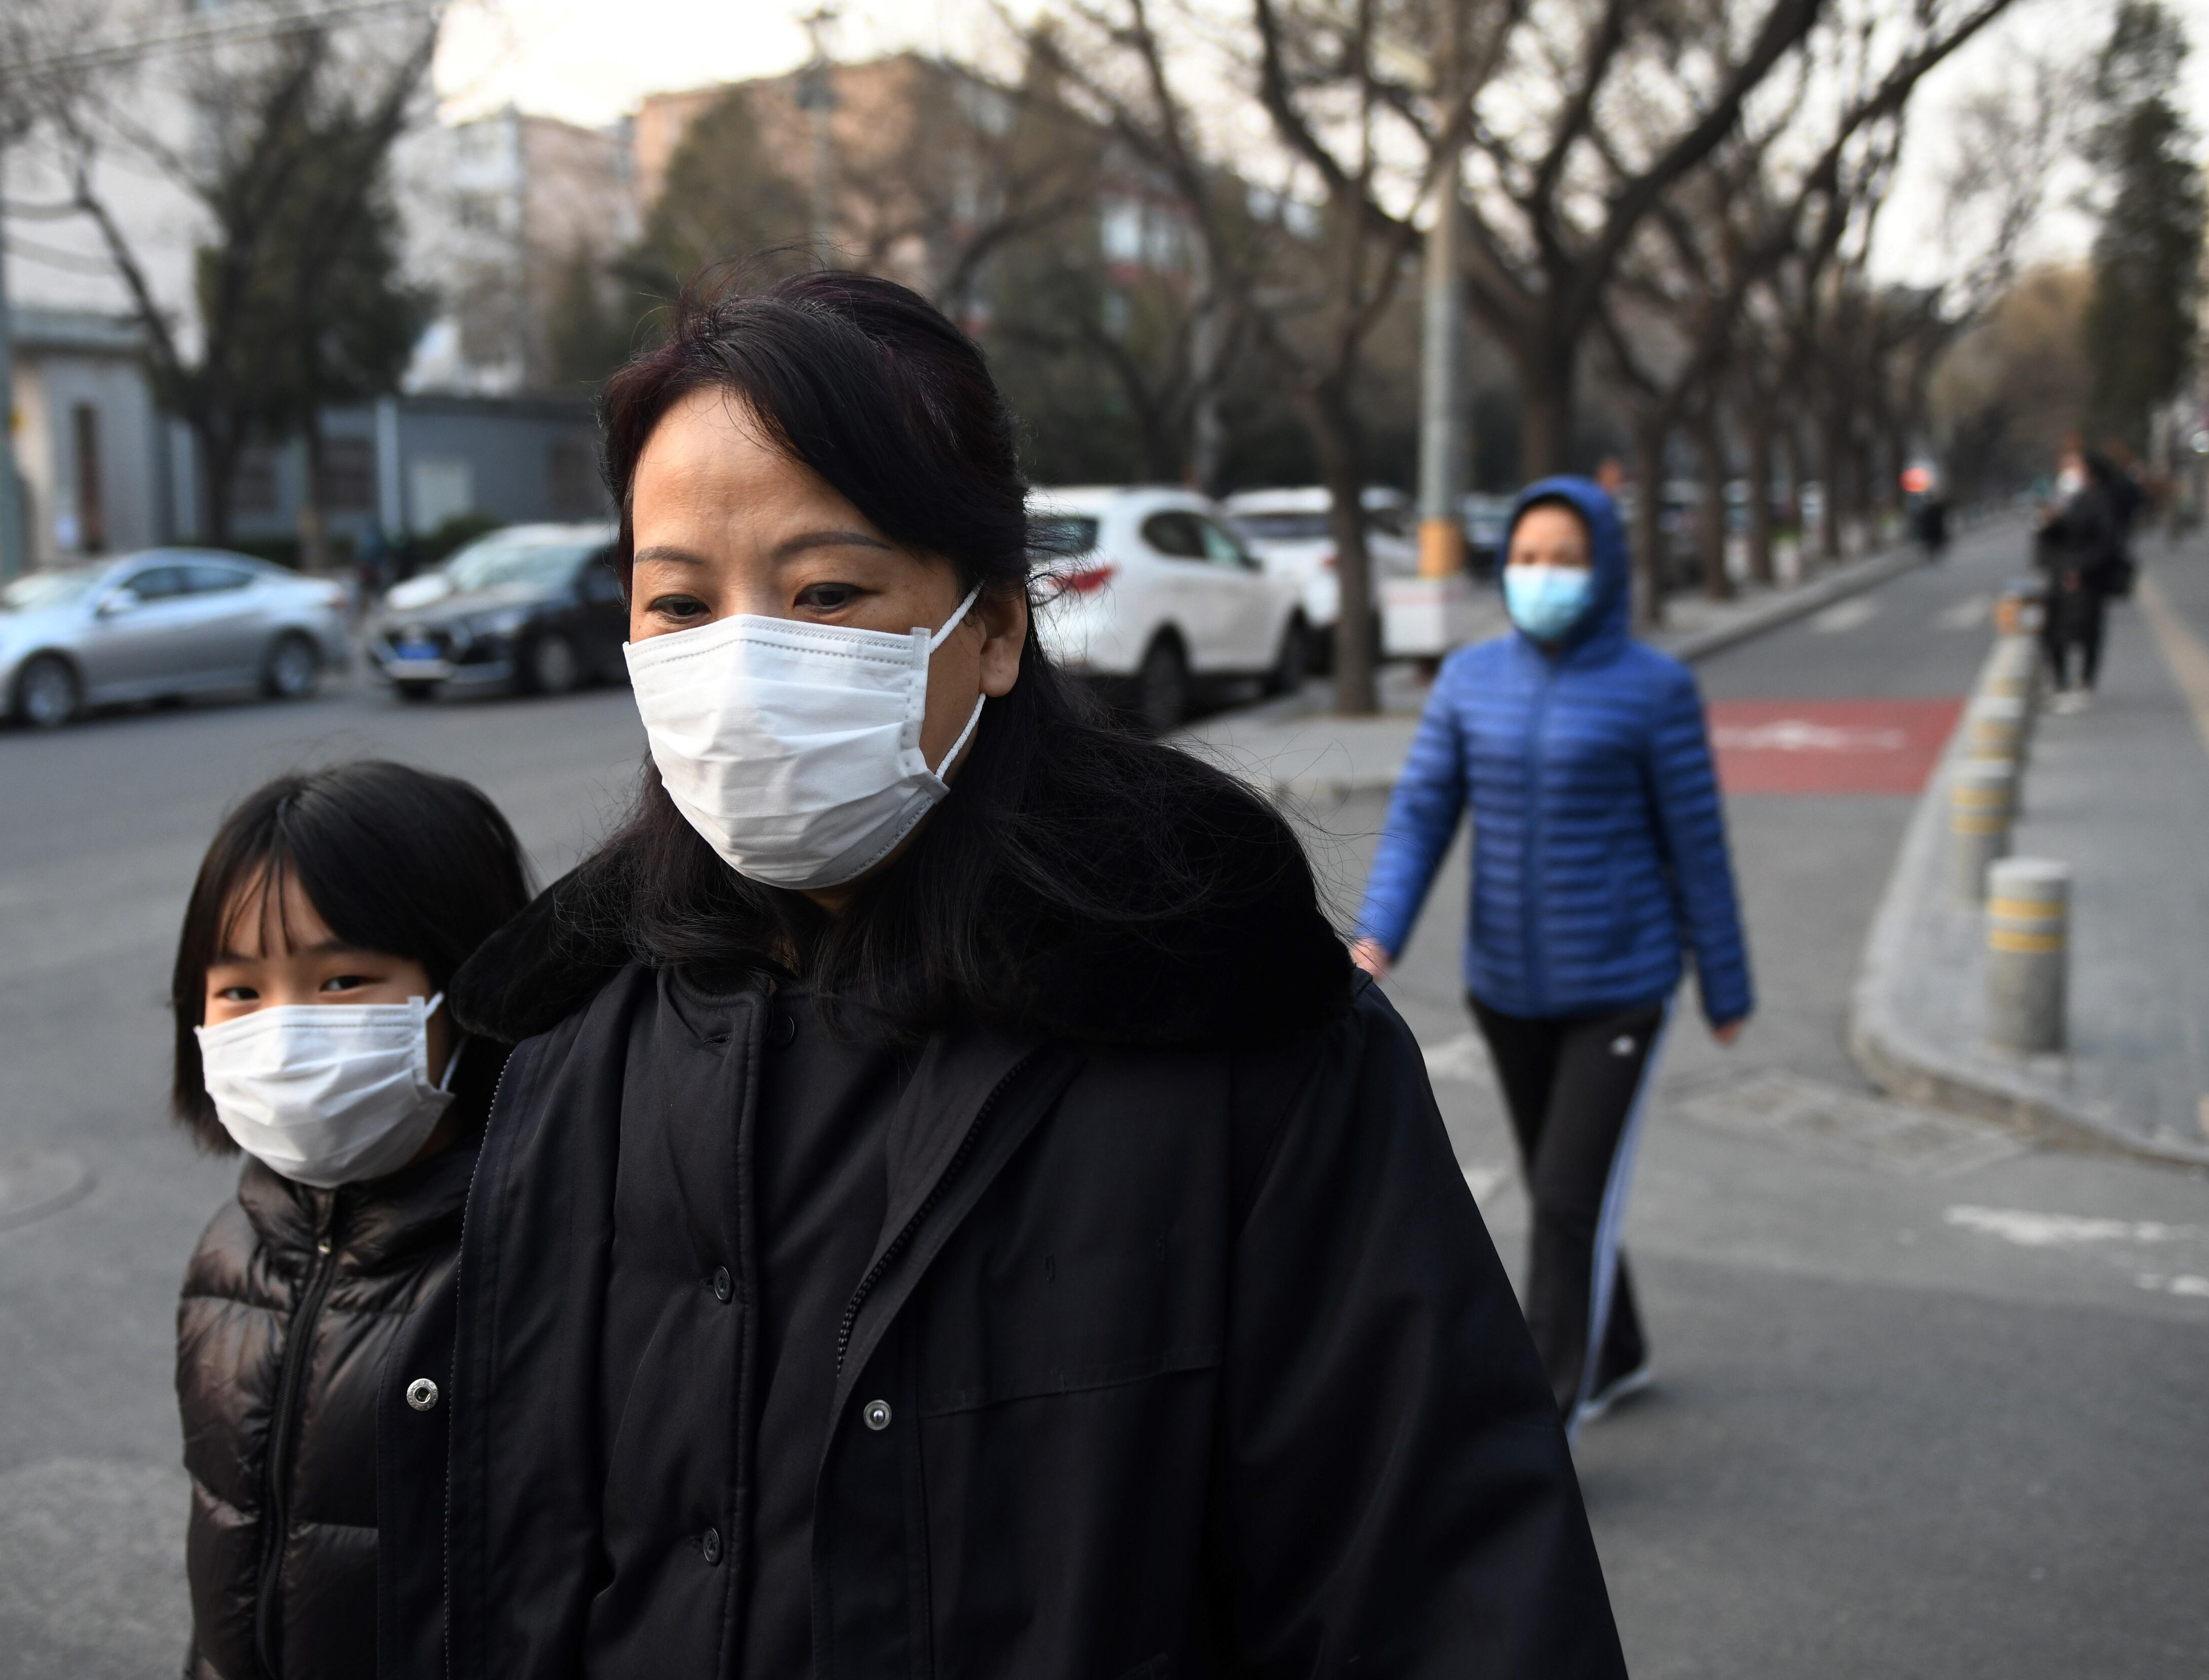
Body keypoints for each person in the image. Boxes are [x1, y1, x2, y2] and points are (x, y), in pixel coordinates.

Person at [374, 270, 1624, 1677]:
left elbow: (1444, 1585)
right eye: (680, 603)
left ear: (994, 626)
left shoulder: (1237, 1030)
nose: (739, 666)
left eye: (827, 591)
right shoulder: (567, 1040)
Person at [1352, 477, 1753, 1435]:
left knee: (1568, 1201)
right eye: (1528, 556)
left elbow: (1698, 843)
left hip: (1619, 989)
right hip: (1507, 989)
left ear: (1604, 566)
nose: (1543, 574)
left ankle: (1542, 1413)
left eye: (1565, 557)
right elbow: (1421, 816)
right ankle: (1620, 1352)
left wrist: (1726, 983)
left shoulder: (1655, 689)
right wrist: (1379, 932)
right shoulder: (1470, 681)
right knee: (1558, 1186)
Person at [167, 762, 533, 1680]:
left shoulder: (532, 1259)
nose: (285, 1033)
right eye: (241, 992)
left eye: (341, 981)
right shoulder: (233, 1249)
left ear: (466, 986)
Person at [2035, 441, 2128, 712]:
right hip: (2061, 576)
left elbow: (2107, 543)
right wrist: (2049, 525)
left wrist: (2080, 570)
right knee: (2052, 632)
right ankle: (2060, 683)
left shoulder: (2102, 500)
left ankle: (2084, 683)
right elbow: (2057, 536)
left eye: (2075, 467)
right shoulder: (2070, 499)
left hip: (2086, 579)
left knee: (2086, 633)